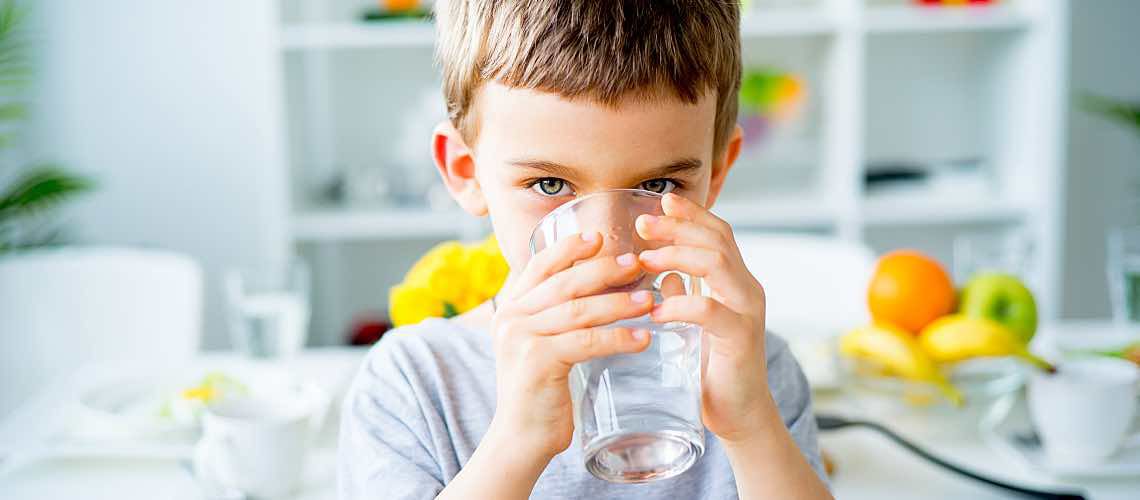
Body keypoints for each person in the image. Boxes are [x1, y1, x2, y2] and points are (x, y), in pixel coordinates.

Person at [338, 1, 832, 498]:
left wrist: (751, 426)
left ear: (717, 172)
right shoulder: (414, 385)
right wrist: (517, 441)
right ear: (467, 173)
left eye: (659, 184)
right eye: (551, 185)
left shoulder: (753, 368)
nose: (610, 246)